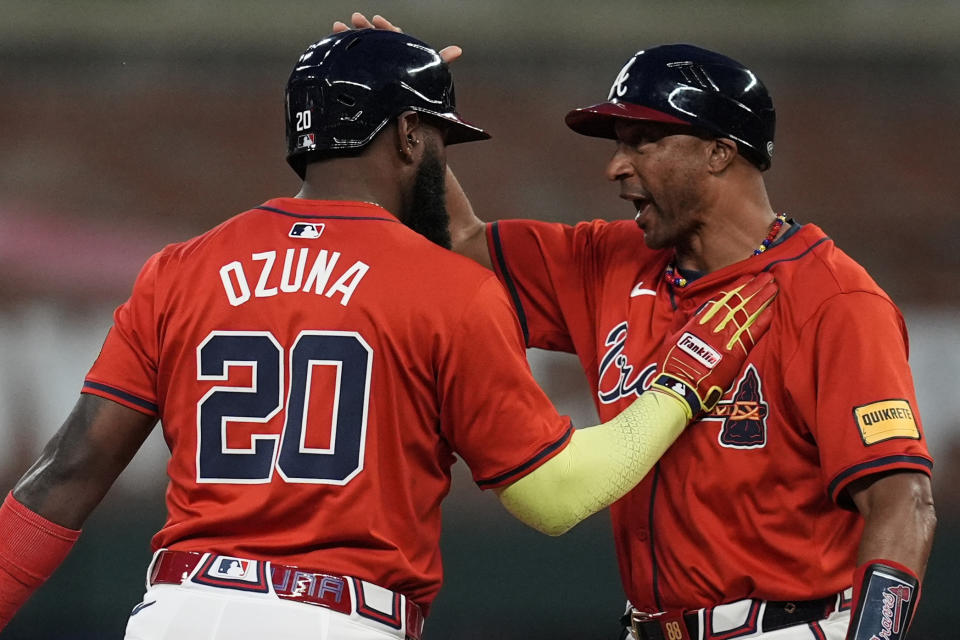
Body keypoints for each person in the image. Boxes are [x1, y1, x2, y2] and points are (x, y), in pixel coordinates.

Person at [0, 29, 777, 639]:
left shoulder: (181, 269)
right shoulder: (449, 291)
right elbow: (557, 494)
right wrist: (680, 384)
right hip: (336, 619)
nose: (442, 157)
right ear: (409, 136)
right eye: (439, 138)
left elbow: (64, 477)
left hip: (175, 611)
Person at [335, 14, 936, 640]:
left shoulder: (833, 299)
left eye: (641, 141)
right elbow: (456, 242)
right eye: (618, 143)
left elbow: (902, 503)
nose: (615, 167)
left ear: (719, 150)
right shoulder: (608, 261)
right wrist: (411, 113)